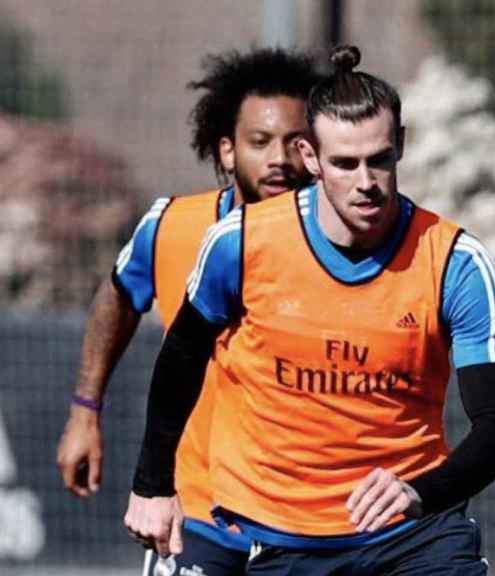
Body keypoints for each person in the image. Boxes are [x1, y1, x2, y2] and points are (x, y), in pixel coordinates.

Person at [123, 45, 495, 575]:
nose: (364, 182)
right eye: (344, 163)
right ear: (311, 158)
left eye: (379, 160)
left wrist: (421, 491)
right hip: (288, 537)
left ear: (401, 146)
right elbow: (180, 359)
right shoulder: (240, 244)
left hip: (415, 535)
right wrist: (151, 486)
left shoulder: (453, 262)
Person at [56, 47, 322, 575]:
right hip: (194, 510)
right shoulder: (173, 226)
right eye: (259, 142)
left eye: (296, 143)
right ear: (226, 151)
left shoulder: (338, 243)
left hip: (305, 519)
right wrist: (86, 409)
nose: (279, 160)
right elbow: (118, 296)